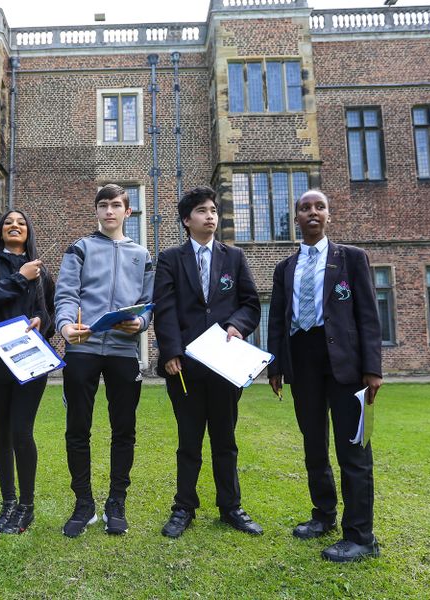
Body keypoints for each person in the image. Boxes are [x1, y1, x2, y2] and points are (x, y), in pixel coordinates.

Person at [267, 189, 383, 562]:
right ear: (296, 218)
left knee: (353, 449)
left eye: (320, 207)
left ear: (328, 216)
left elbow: (367, 314)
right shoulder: (286, 268)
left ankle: (361, 536)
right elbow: (277, 320)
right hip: (302, 361)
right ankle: (323, 516)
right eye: (305, 208)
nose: (313, 213)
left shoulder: (351, 259)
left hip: (345, 363)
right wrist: (276, 366)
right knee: (313, 445)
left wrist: (373, 369)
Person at [153, 185, 262, 538]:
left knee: (225, 440)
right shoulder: (171, 259)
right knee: (189, 441)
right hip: (184, 368)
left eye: (213, 210)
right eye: (202, 210)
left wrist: (237, 325)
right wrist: (170, 352)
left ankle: (231, 507)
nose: (210, 216)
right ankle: (184, 507)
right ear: (187, 220)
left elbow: (250, 304)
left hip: (225, 367)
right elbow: (165, 308)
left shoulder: (235, 258)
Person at [54, 184, 154, 537]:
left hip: (124, 352)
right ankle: (84, 504)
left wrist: (140, 323)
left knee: (123, 430)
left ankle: (116, 503)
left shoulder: (142, 254)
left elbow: (147, 303)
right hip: (82, 349)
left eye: (116, 205)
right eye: (103, 205)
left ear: (128, 212)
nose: (109, 211)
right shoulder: (79, 248)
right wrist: (65, 327)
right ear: (96, 211)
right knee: (78, 428)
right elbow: (66, 293)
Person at [0, 210, 55, 535]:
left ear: (28, 232)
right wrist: (21, 277)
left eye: (21, 223)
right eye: (8, 223)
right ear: (1, 231)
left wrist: (40, 323)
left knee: (21, 432)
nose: (14, 226)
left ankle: (26, 506)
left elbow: (49, 315)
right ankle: (8, 502)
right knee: (1, 432)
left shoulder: (41, 272)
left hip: (29, 361)